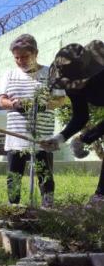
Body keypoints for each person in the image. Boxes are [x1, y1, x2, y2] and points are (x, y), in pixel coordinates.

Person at [0, 34, 60, 208]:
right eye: (17, 58)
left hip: (42, 135)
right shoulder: (9, 75)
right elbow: (1, 100)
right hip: (16, 135)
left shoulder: (49, 73)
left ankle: (48, 208)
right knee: (14, 175)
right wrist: (13, 104)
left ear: (35, 53)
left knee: (44, 174)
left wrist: (43, 105)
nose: (21, 61)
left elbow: (61, 99)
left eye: (25, 57)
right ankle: (13, 208)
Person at [43, 40, 104, 205]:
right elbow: (80, 116)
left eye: (76, 83)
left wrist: (85, 138)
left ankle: (100, 197)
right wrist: (59, 138)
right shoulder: (70, 77)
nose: (72, 88)